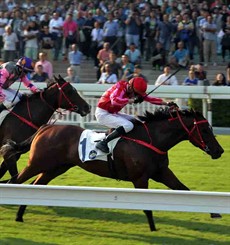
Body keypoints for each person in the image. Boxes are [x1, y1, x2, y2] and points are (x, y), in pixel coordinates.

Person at [95, 77, 168, 153]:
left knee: (136, 121)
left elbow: (150, 99)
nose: (136, 95)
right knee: (128, 125)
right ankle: (103, 142)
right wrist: (131, 100)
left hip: (112, 113)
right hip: (103, 113)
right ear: (130, 87)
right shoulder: (120, 87)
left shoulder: (133, 90)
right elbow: (114, 101)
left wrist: (167, 103)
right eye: (136, 93)